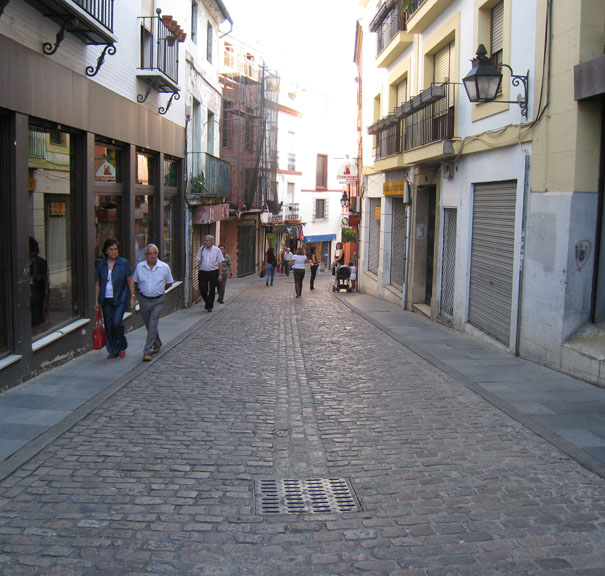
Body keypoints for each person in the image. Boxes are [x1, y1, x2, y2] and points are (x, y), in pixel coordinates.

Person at [95, 238, 135, 359]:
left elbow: (130, 280)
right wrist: (96, 301)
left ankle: (122, 346)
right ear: (106, 251)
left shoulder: (123, 263)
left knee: (116, 323)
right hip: (105, 299)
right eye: (111, 249)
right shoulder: (101, 264)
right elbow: (97, 282)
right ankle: (113, 350)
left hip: (119, 298)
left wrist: (132, 297)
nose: (114, 252)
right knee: (108, 325)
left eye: (116, 249)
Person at [133, 243, 174, 362]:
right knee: (149, 324)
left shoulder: (164, 267)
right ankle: (157, 343)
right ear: (146, 255)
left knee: (152, 323)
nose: (152, 256)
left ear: (157, 254)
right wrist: (137, 295)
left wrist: (160, 290)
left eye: (154, 253)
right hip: (144, 299)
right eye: (150, 253)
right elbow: (135, 282)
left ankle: (147, 351)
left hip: (158, 300)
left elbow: (169, 283)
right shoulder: (140, 267)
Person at [196, 234, 223, 312]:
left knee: (212, 289)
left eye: (207, 241)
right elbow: (199, 260)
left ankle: (210, 306)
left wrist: (220, 274)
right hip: (203, 272)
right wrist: (199, 271)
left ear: (211, 242)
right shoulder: (202, 249)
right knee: (203, 289)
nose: (205, 242)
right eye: (205, 240)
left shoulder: (216, 250)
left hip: (213, 272)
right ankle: (207, 301)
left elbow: (220, 262)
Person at [29, 236, 49, 331]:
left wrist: (45, 303)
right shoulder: (21, 263)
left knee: (36, 322)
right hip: (25, 298)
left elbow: (45, 282)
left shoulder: (41, 263)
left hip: (36, 298)